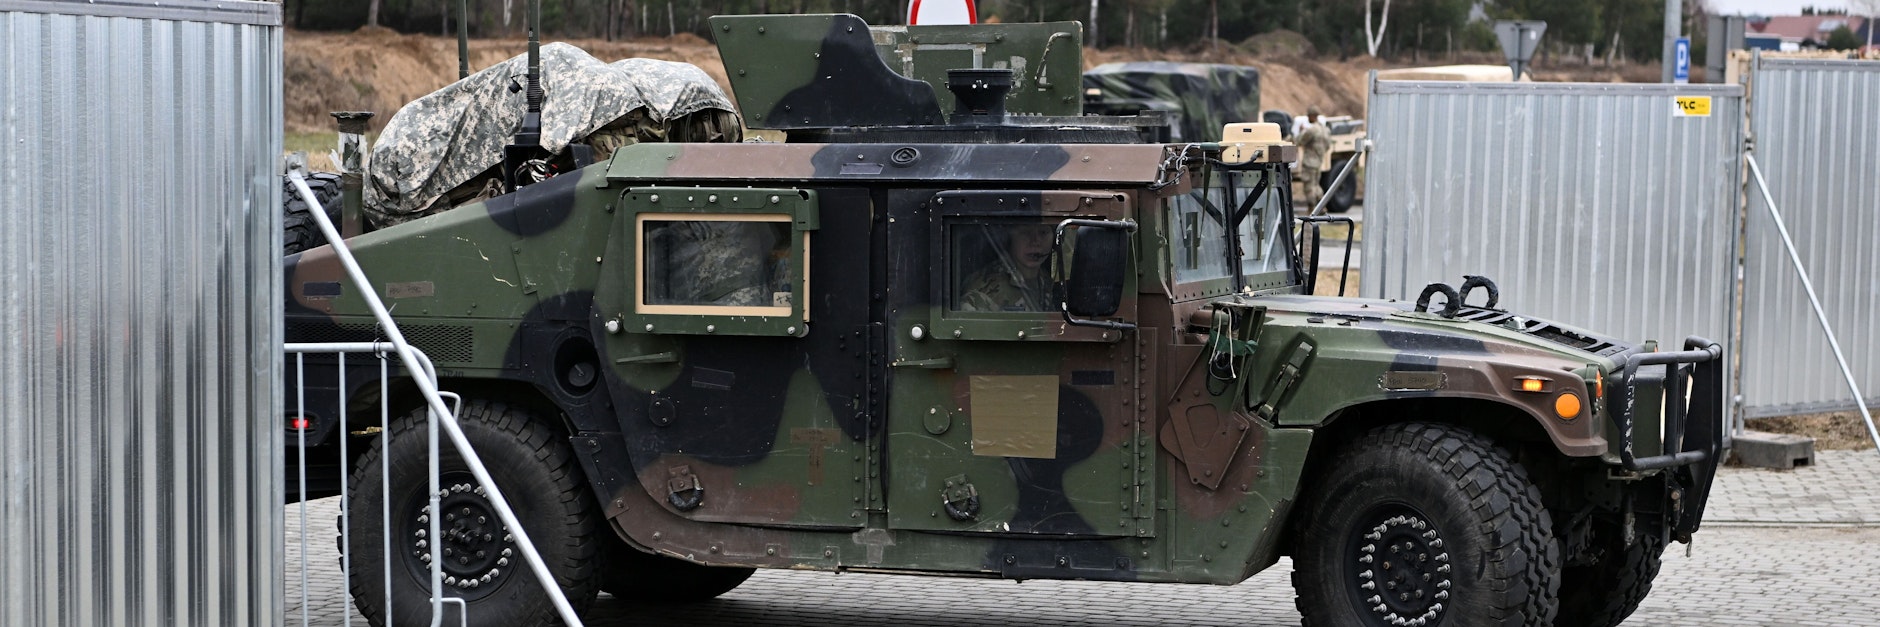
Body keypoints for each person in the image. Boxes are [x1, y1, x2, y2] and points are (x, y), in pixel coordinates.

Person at [958, 223, 1055, 312]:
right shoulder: (982, 289)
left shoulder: (1046, 280)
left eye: (1043, 232)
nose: (1035, 241)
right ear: (1010, 238)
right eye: (1025, 232)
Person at [1295, 106, 1333, 212]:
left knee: (1309, 186)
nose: (1307, 118)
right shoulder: (1325, 130)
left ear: (1312, 116)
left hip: (1309, 162)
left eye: (1308, 116)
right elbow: (1328, 146)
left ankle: (1311, 208)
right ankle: (1322, 206)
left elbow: (1299, 141)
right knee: (1316, 184)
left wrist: (1301, 131)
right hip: (1318, 162)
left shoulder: (1312, 130)